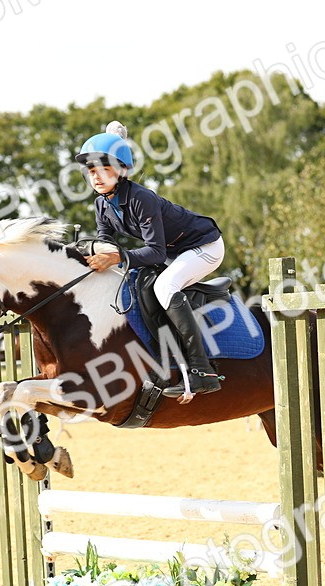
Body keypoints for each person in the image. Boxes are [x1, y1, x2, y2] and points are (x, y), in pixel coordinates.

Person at [76, 121, 224, 398]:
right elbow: (105, 239)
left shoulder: (141, 198)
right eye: (92, 170)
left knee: (164, 287)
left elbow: (154, 252)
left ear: (121, 171)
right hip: (173, 252)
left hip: (204, 246)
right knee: (139, 287)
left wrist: (118, 256)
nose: (96, 177)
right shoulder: (101, 204)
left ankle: (204, 371)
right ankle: (166, 359)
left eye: (105, 169)